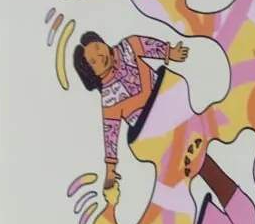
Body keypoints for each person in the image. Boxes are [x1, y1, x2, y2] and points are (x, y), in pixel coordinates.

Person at [76, 31, 191, 202]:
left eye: (98, 48)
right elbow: (111, 135)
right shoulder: (109, 98)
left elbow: (149, 46)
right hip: (150, 131)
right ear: (92, 73)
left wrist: (170, 53)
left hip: (168, 103)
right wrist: (110, 170)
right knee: (180, 164)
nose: (101, 57)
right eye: (94, 62)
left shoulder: (127, 48)